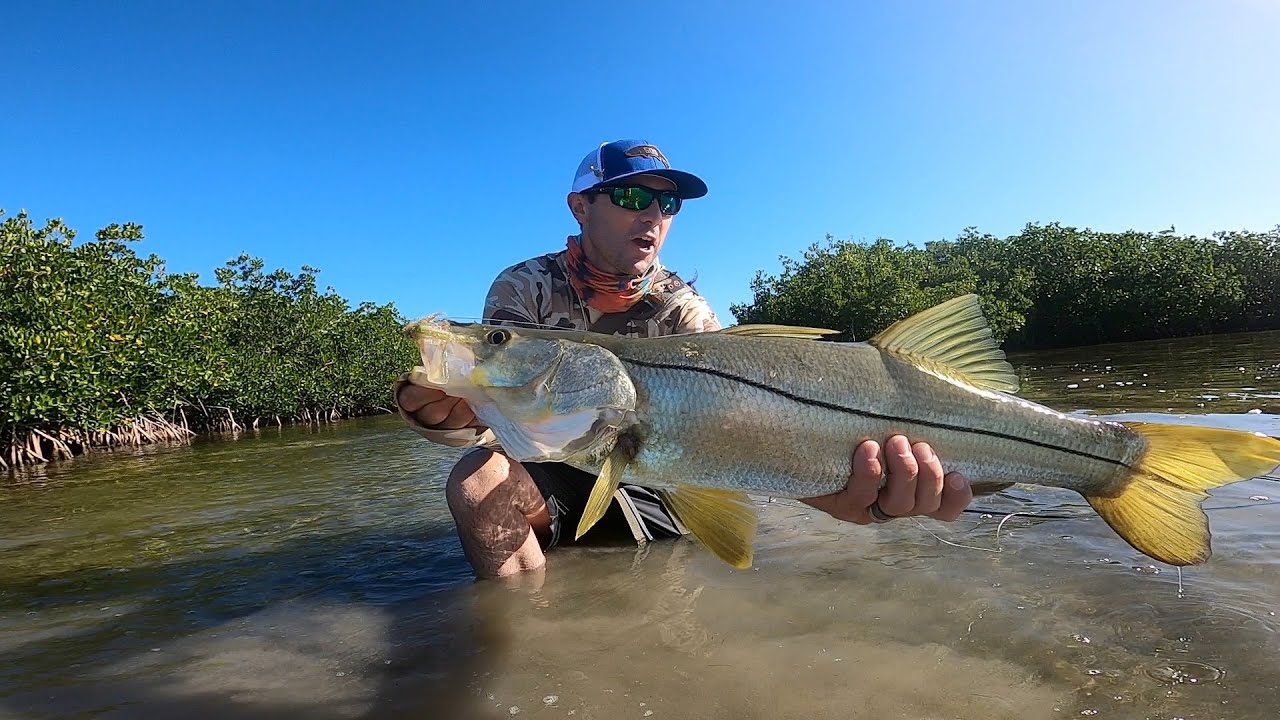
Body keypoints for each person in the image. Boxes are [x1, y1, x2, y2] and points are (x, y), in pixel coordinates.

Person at [396, 139, 975, 578]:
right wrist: (442, 418)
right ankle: (525, 652)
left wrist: (839, 498)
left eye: (667, 203)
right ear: (580, 206)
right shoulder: (525, 288)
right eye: (630, 196)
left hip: (669, 488)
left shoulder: (685, 309)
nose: (652, 215)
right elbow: (499, 422)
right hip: (563, 479)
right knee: (476, 483)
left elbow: (740, 432)